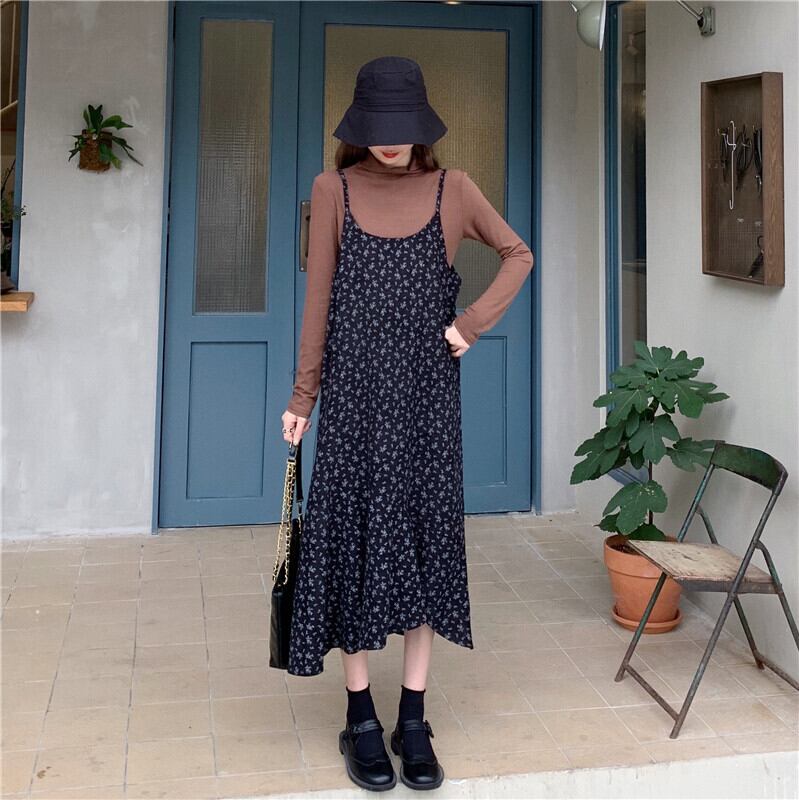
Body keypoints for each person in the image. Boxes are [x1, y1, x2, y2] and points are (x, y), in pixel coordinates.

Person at [280, 56, 534, 792]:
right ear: (357, 127)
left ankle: (412, 718)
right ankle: (360, 713)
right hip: (353, 406)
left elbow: (517, 254)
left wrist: (469, 324)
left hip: (426, 408)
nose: (388, 141)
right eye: (376, 127)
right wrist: (303, 398)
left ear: (421, 126)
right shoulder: (332, 189)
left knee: (423, 546)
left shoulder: (455, 188)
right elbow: (318, 303)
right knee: (353, 544)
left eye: (399, 127)